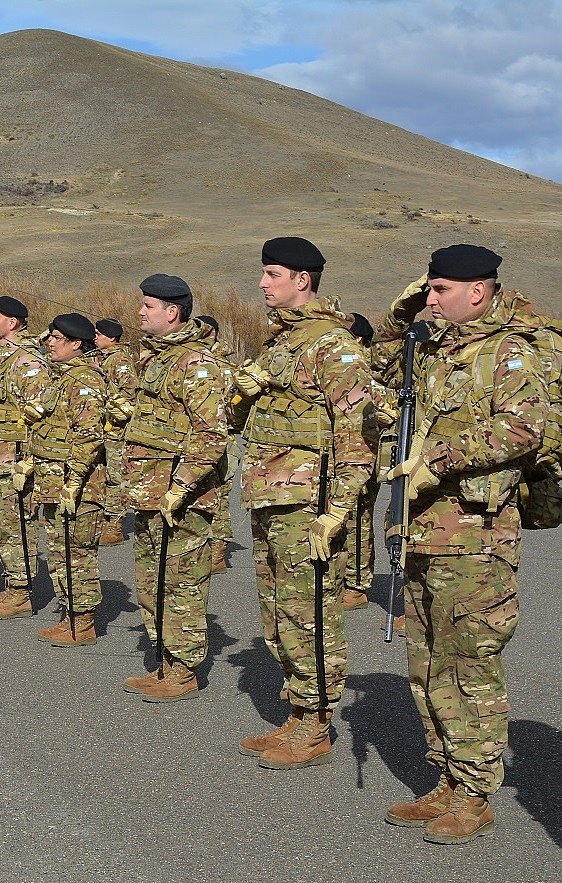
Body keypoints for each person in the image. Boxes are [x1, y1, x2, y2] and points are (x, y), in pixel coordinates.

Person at [373, 245, 547, 844]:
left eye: (440, 290)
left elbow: (525, 428)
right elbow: (378, 370)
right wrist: (403, 315)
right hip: (422, 531)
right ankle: (445, 778)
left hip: (476, 540)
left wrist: (435, 463)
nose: (431, 300)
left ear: (477, 292)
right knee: (425, 662)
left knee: (469, 663)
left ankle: (475, 792)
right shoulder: (439, 350)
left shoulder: (512, 351)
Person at [232, 237, 376, 768]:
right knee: (278, 612)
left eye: (273, 274)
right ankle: (298, 711)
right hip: (272, 496)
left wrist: (336, 512)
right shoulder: (282, 344)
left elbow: (358, 436)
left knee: (310, 613)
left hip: (308, 504)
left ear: (303, 280)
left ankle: (316, 723)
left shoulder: (333, 347)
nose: (263, 283)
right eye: (264, 273)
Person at [119, 274, 230, 701]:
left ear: (172, 313)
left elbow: (211, 434)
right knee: (152, 579)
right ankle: (165, 660)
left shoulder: (196, 364)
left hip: (181, 498)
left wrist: (180, 487)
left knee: (182, 584)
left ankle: (184, 670)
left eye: (148, 307)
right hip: (151, 493)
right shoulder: (158, 358)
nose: (140, 313)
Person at [27, 313, 107, 646]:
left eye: (56, 338)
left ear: (76, 344)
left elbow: (87, 436)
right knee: (60, 551)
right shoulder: (62, 378)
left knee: (77, 552)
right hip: (53, 482)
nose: (49, 342)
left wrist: (73, 482)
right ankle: (68, 613)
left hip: (78, 485)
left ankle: (83, 621)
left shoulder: (84, 380)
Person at [0, 295, 47, 619]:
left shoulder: (27, 361)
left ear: (12, 323)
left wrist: (28, 461)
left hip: (14, 459)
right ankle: (12, 585)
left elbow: (41, 417)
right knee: (2, 525)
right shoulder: (1, 359)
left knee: (16, 524)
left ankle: (20, 592)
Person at [342, 312, 381, 610]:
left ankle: (356, 585)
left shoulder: (370, 367)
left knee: (357, 518)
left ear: (358, 339)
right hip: (342, 452)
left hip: (365, 454)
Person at [198, 314, 239, 573]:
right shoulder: (195, 360)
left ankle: (218, 552)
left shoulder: (223, 366)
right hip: (196, 438)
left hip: (221, 437)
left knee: (220, 496)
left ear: (211, 333)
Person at [94, 318, 137, 546]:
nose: (95, 338)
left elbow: (129, 394)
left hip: (115, 429)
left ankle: (115, 523)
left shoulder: (120, 360)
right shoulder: (104, 359)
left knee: (115, 476)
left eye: (99, 334)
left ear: (111, 338)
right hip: (102, 425)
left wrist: (114, 408)